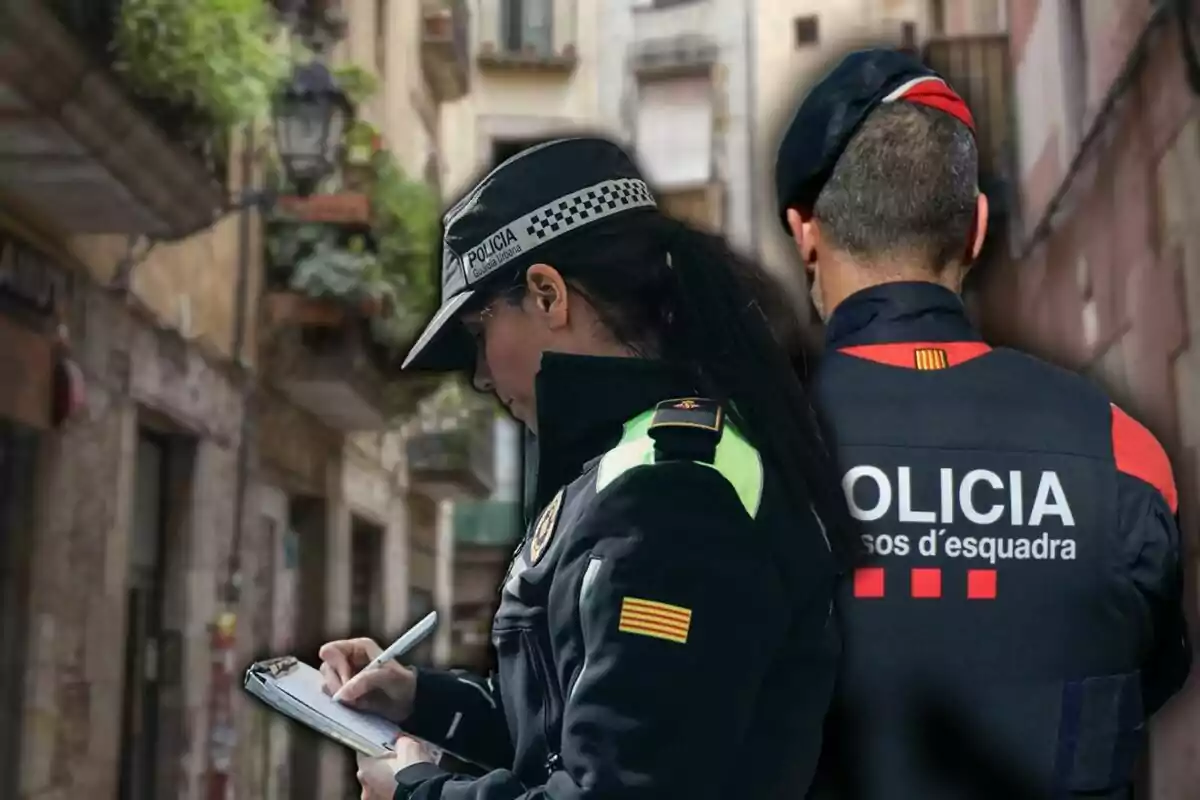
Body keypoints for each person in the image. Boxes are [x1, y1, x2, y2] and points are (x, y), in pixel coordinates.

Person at [319, 136, 853, 800]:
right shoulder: (623, 467)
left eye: (478, 333)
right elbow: (577, 730)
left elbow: (619, 786)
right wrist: (417, 701)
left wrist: (416, 793)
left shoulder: (674, 491)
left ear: (547, 296)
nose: (482, 376)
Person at [774, 49, 1193, 799]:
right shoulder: (1126, 453)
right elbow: (1148, 672)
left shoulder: (736, 458)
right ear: (977, 228)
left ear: (806, 234)